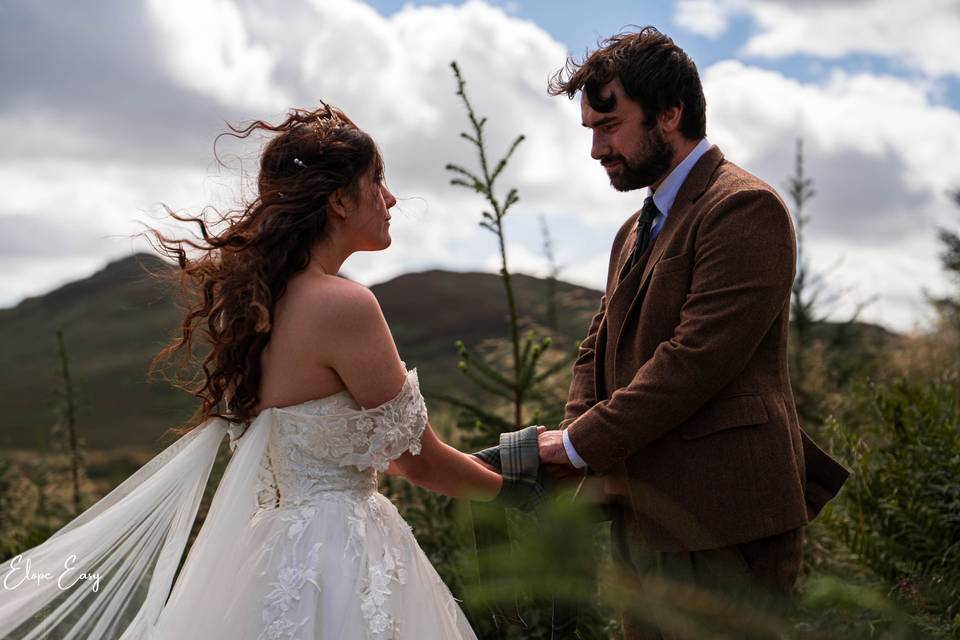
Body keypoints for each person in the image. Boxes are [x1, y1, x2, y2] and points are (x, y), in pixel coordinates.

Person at [0, 104, 498, 639]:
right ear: (337, 200)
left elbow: (351, 450)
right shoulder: (344, 306)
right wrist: (519, 489)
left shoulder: (253, 309)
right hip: (340, 556)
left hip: (264, 556)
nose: (391, 196)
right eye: (376, 179)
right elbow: (419, 462)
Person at [535, 27, 849, 639]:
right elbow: (595, 347)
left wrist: (578, 447)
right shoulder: (633, 229)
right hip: (641, 518)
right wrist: (577, 441)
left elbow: (695, 360)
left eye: (610, 126)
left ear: (670, 114)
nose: (597, 149)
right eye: (591, 131)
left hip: (726, 520)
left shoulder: (744, 208)